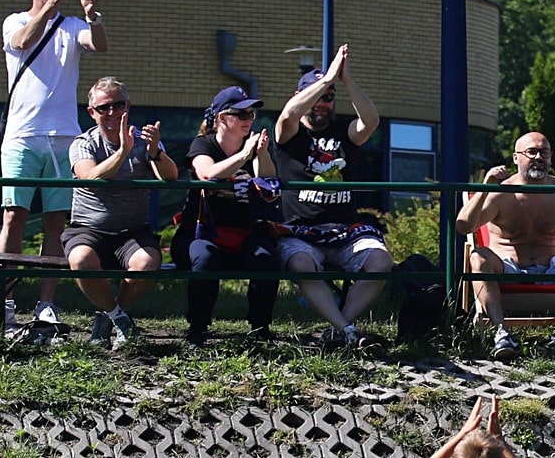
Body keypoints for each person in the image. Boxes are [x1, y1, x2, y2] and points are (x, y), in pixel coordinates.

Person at [0, 0, 108, 332]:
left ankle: (46, 304)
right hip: (23, 136)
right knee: (13, 216)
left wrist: (92, 15)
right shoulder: (15, 20)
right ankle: (4, 303)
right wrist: (48, 8)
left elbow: (100, 45)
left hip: (64, 137)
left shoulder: (72, 25)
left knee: (56, 223)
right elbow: (22, 42)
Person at [454, 133, 555, 360]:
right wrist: (485, 188)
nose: (539, 157)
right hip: (508, 272)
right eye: (531, 152)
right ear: (515, 157)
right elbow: (463, 226)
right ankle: (501, 334)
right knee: (478, 257)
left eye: (544, 152)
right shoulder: (499, 192)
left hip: (554, 272)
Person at [272, 45, 393, 349]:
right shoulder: (288, 132)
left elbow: (371, 122)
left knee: (381, 260)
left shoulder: (344, 131)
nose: (322, 103)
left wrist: (346, 79)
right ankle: (347, 331)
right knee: (300, 264)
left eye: (328, 97)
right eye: (315, 96)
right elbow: (289, 114)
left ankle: (341, 329)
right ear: (300, 96)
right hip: (300, 231)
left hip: (345, 231)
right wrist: (325, 80)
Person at [65, 77, 176, 349]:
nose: (112, 112)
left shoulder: (146, 140)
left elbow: (170, 177)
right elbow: (90, 178)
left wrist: (155, 152)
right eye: (104, 108)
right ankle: (121, 319)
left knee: (147, 263)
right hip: (88, 230)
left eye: (118, 105)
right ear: (92, 112)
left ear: (128, 106)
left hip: (132, 231)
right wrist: (123, 151)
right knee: (81, 260)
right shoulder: (83, 143)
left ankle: (107, 318)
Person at [182, 86, 280, 345]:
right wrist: (244, 154)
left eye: (251, 115)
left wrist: (261, 153)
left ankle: (260, 328)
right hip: (205, 232)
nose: (249, 120)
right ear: (222, 118)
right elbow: (207, 173)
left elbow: (269, 180)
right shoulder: (203, 144)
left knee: (267, 259)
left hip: (245, 231)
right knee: (205, 260)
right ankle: (198, 327)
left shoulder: (252, 147)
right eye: (242, 114)